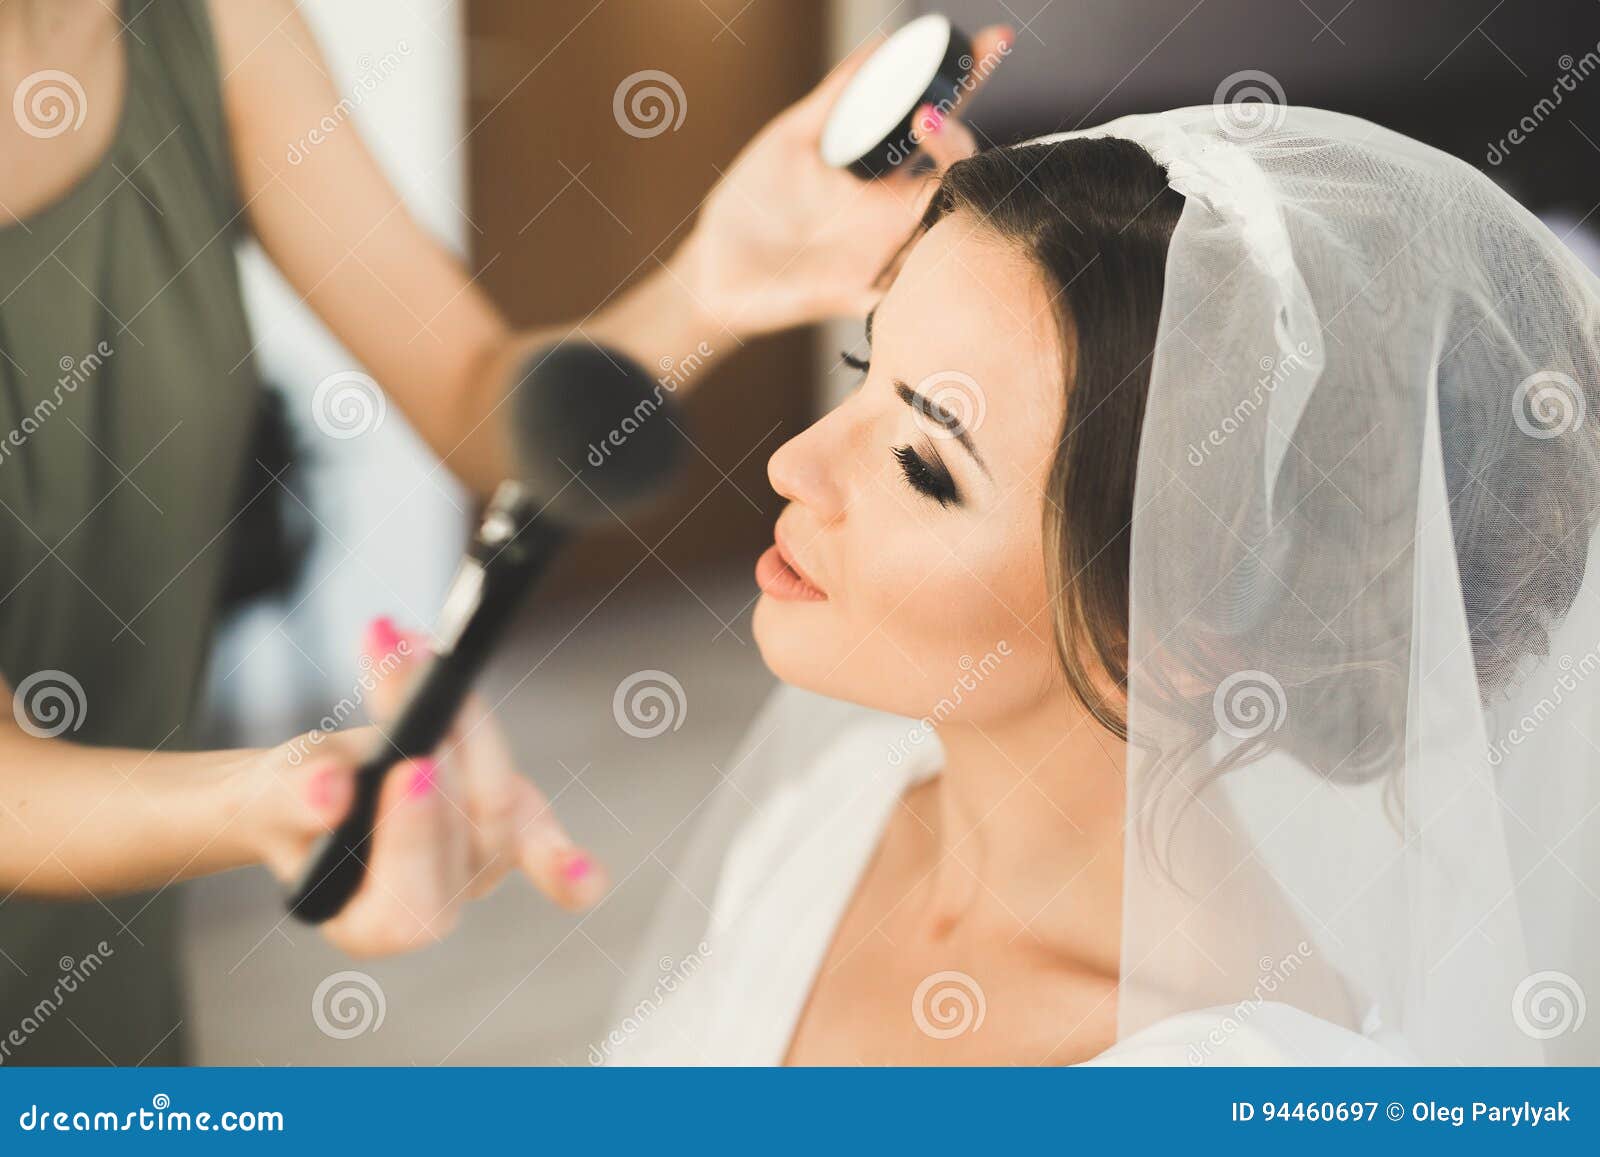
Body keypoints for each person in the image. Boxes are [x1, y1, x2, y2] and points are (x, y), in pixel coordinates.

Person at [0, 0, 1013, 1064]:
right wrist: (272, 796)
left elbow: (482, 407)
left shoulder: (207, 24)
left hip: (102, 977)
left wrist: (719, 279)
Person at [605, 107, 1600, 1066]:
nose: (795, 465)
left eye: (923, 462)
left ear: (1176, 628)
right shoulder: (837, 810)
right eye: (866, 361)